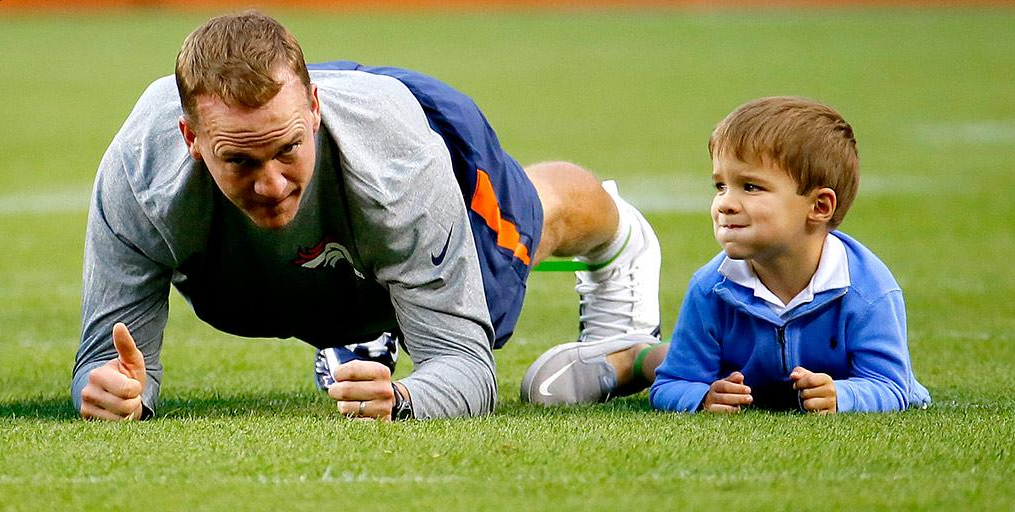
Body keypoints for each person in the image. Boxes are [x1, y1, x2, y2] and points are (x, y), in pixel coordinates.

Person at [72, 10, 662, 422]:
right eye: (241, 160)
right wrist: (116, 392)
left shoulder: (401, 169)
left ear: (312, 110)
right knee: (284, 275)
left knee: (523, 229)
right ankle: (363, 323)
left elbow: (465, 366)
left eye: (287, 149)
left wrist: (403, 400)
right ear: (190, 138)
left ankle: (621, 240)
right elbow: (104, 363)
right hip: (336, 215)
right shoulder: (138, 173)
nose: (272, 183)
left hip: (410, 142)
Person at [649, 96, 932, 414]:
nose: (725, 203)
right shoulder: (710, 287)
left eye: (751, 187)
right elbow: (671, 384)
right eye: (720, 186)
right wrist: (702, 398)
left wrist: (841, 395)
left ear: (819, 206)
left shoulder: (868, 288)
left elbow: (890, 386)